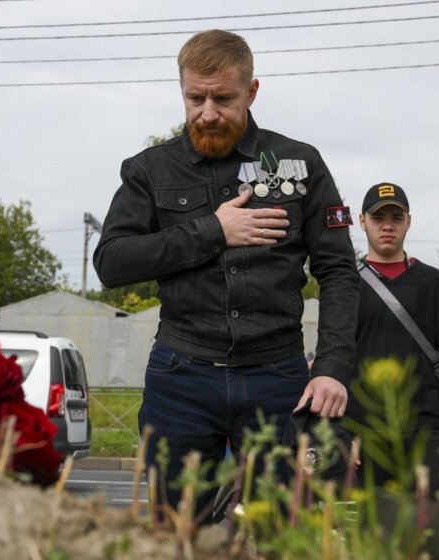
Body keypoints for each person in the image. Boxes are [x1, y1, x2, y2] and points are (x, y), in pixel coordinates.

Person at [93, 29, 359, 521]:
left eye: (223, 98)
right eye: (195, 98)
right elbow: (111, 262)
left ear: (252, 92)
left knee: (281, 532)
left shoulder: (302, 162)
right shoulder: (149, 170)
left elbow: (339, 271)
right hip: (182, 377)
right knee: (179, 532)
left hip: (278, 379)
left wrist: (332, 367)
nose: (207, 112)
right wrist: (212, 229)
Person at [350, 182, 439, 496]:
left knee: (427, 533)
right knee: (368, 535)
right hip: (364, 430)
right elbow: (335, 358)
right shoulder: (347, 282)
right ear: (362, 221)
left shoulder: (432, 282)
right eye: (378, 218)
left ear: (408, 221)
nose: (387, 225)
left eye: (396, 217)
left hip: (425, 429)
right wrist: (339, 433)